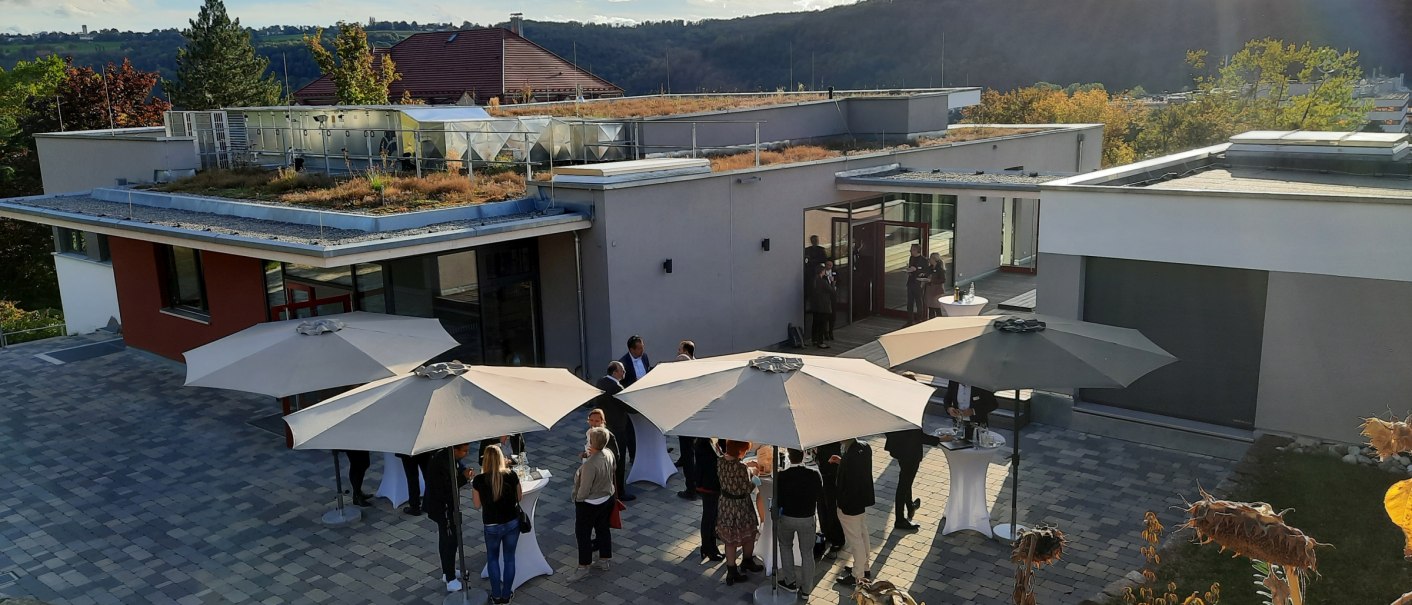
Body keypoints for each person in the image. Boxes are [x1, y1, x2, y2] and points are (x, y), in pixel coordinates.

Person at [471, 445, 523, 604]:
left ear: (485, 461)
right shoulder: (511, 475)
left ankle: (496, 595)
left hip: (491, 525)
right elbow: (519, 497)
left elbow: (477, 505)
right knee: (509, 559)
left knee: (492, 559)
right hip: (511, 522)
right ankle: (506, 596)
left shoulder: (479, 480)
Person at [425, 443, 475, 593]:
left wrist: (464, 470)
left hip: (447, 505)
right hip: (442, 507)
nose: (466, 453)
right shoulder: (441, 463)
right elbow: (447, 487)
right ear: (455, 449)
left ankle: (449, 570)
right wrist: (464, 478)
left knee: (451, 539)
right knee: (449, 540)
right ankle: (449, 577)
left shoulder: (449, 457)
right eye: (464, 451)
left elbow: (459, 466)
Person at [570, 427, 617, 582]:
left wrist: (577, 499)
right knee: (603, 529)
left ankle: (583, 566)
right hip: (607, 498)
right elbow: (613, 469)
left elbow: (585, 488)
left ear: (592, 442)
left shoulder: (590, 464)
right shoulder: (609, 453)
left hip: (590, 503)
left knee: (583, 534)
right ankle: (604, 560)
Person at [776, 448, 822, 597]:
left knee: (785, 546)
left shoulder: (781, 475)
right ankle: (806, 590)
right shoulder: (814, 474)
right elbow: (819, 496)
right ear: (803, 455)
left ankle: (790, 581)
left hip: (787, 518)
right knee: (807, 553)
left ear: (789, 455)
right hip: (807, 518)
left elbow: (778, 499)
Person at [717, 440, 764, 586]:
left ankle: (731, 571)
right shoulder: (741, 468)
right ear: (740, 451)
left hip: (725, 505)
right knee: (748, 535)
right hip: (741, 506)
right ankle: (747, 561)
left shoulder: (720, 462)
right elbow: (747, 488)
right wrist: (755, 476)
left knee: (729, 540)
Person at [831, 438, 874, 587]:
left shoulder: (851, 455)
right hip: (861, 500)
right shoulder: (864, 447)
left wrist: (840, 502)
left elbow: (849, 478)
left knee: (856, 540)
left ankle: (858, 575)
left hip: (850, 504)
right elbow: (857, 470)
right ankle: (864, 567)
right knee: (862, 534)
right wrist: (842, 462)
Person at [594, 362, 636, 501]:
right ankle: (620, 492)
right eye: (622, 371)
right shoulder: (616, 387)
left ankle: (606, 486)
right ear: (614, 372)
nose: (624, 373)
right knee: (619, 459)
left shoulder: (600, 382)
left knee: (606, 459)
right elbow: (629, 407)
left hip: (604, 427)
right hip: (617, 429)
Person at [885, 426, 940, 530]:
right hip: (910, 452)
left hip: (899, 448)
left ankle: (910, 506)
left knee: (906, 479)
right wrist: (939, 440)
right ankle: (900, 520)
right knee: (904, 484)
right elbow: (917, 436)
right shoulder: (910, 416)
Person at [617, 336, 651, 472]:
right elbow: (621, 384)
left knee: (646, 425)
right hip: (631, 401)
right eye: (639, 348)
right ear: (631, 349)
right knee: (631, 429)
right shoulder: (623, 363)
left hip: (645, 398)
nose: (642, 350)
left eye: (643, 347)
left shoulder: (645, 357)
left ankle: (647, 450)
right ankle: (633, 455)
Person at [693, 437, 725, 563]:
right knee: (709, 517)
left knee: (712, 516)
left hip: (711, 484)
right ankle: (708, 547)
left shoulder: (710, 442)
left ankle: (710, 546)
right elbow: (712, 464)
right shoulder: (704, 445)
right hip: (708, 485)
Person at [675, 340, 699, 500]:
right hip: (696, 419)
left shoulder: (684, 377)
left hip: (686, 419)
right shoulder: (697, 366)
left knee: (689, 452)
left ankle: (691, 488)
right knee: (693, 453)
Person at [813, 441, 845, 559]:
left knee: (831, 505)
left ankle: (837, 538)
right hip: (821, 465)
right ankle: (826, 531)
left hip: (831, 469)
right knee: (821, 504)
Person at [809, 264, 836, 349]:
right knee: (822, 324)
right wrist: (832, 282)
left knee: (815, 323)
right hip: (823, 306)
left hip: (815, 305)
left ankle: (814, 340)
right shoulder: (822, 282)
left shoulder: (813, 281)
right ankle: (820, 342)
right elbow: (832, 291)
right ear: (822, 271)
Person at [396, 451, 431, 516]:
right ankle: (428, 504)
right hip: (422, 449)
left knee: (412, 479)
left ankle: (415, 507)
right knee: (428, 477)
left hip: (408, 451)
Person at [905, 244, 929, 325]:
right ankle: (909, 320)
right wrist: (909, 271)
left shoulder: (924, 260)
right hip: (911, 282)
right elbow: (910, 267)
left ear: (916, 250)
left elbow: (926, 272)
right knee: (909, 302)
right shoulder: (911, 258)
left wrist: (916, 270)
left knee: (919, 302)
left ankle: (919, 319)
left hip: (918, 283)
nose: (910, 251)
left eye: (911, 249)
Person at [923, 252, 949, 319]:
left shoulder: (940, 269)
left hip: (937, 290)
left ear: (934, 259)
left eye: (930, 258)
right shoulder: (930, 268)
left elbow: (943, 280)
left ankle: (939, 321)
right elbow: (927, 274)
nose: (929, 260)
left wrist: (932, 280)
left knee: (937, 307)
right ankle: (931, 321)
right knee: (930, 307)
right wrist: (923, 275)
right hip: (929, 289)